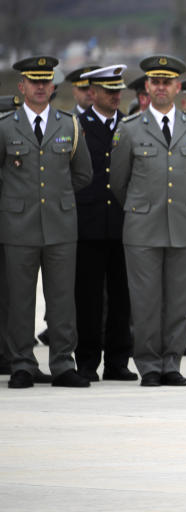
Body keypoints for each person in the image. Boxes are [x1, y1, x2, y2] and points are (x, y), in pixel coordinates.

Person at [109, 54, 186, 387]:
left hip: (183, 224)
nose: (161, 87)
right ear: (147, 87)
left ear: (178, 87)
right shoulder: (130, 128)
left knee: (179, 301)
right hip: (143, 227)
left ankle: (171, 363)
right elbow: (119, 182)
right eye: (156, 82)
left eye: (168, 82)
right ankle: (149, 364)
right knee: (146, 301)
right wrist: (143, 206)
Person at [1, 56, 93, 389]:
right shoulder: (5, 126)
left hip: (60, 224)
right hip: (18, 226)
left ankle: (62, 364)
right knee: (20, 299)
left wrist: (58, 195)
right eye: (33, 81)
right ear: (21, 86)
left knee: (61, 299)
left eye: (46, 81)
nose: (40, 87)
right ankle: (22, 363)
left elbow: (83, 173)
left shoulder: (68, 124)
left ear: (53, 86)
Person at [74, 65, 137, 382]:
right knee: (87, 297)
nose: (116, 96)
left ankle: (117, 360)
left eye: (118, 90)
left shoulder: (129, 126)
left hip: (123, 222)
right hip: (89, 222)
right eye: (108, 90)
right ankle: (86, 360)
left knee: (121, 296)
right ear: (92, 92)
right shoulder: (77, 125)